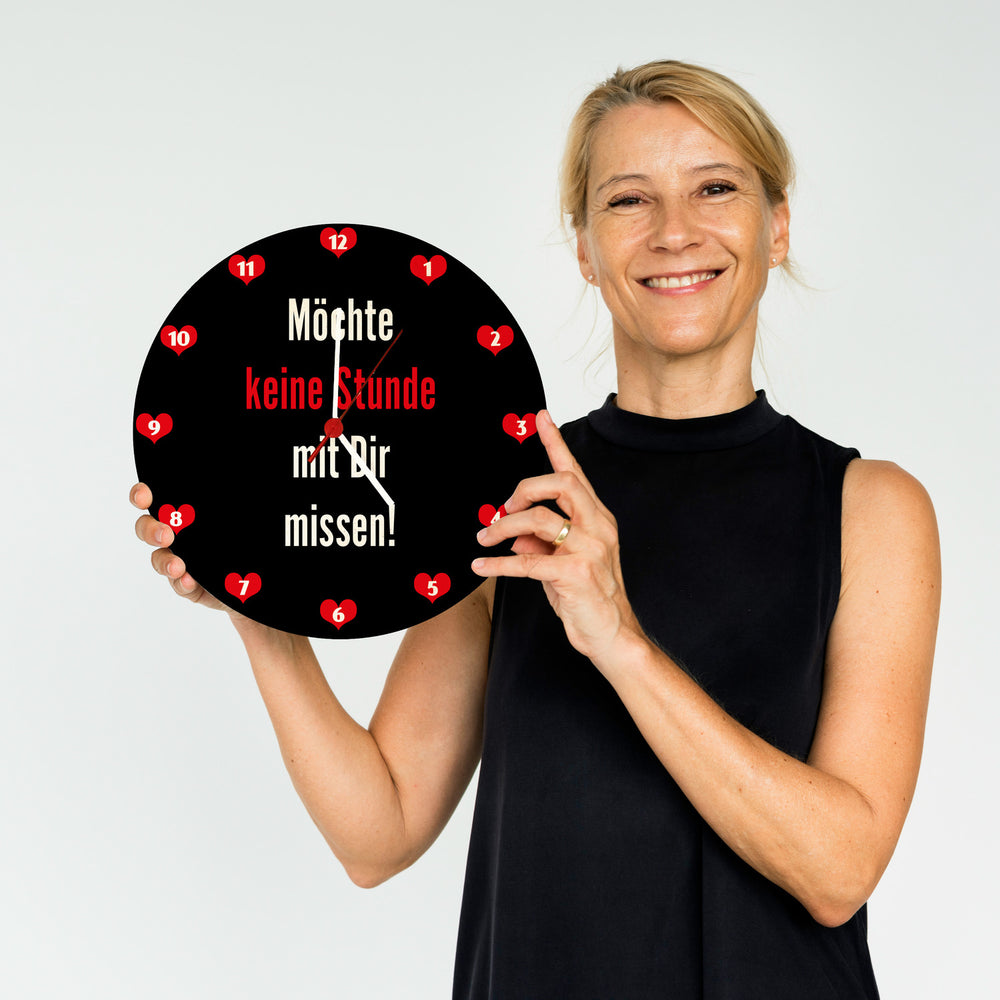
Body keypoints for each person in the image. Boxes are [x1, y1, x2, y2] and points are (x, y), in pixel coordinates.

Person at [131, 60, 940, 998]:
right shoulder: (504, 497)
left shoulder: (868, 505)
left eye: (715, 188)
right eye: (628, 199)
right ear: (587, 248)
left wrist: (619, 641)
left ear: (777, 225)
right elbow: (379, 833)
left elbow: (840, 872)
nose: (675, 231)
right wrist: (262, 614)